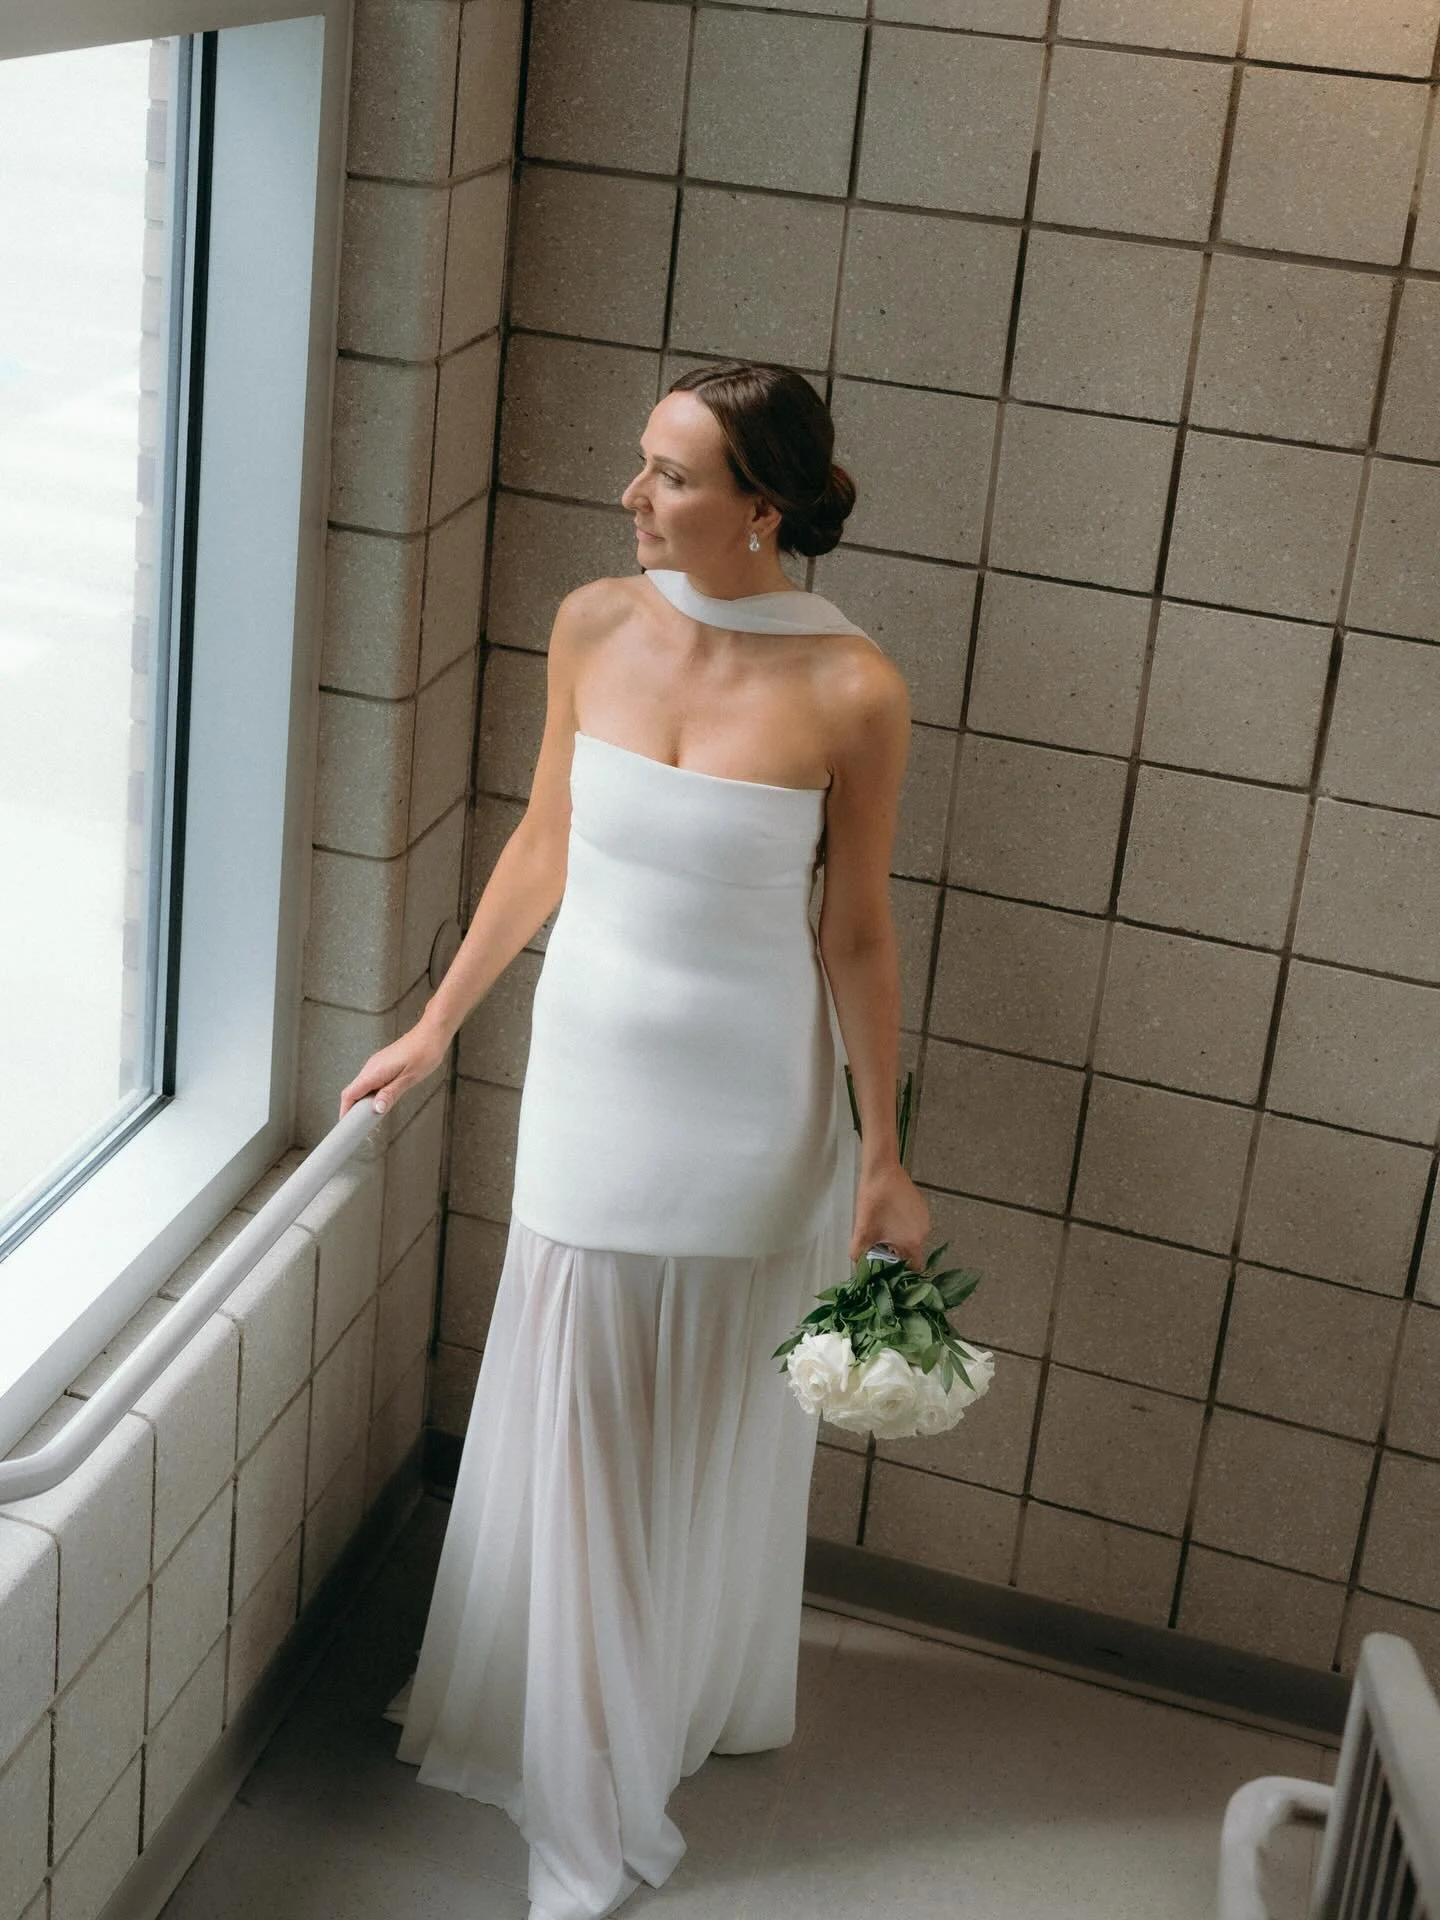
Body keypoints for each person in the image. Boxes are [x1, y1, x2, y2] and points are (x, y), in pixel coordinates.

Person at [337, 359, 930, 1919]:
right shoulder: (595, 623)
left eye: (668, 474)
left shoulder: (854, 687)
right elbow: (543, 839)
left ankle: (653, 1718)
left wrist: (882, 1155)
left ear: (766, 505)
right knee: (590, 1418)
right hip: (592, 1086)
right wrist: (439, 1022)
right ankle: (582, 1811)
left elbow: (854, 936)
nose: (633, 497)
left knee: (685, 1427)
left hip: (752, 1108)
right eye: (639, 465)